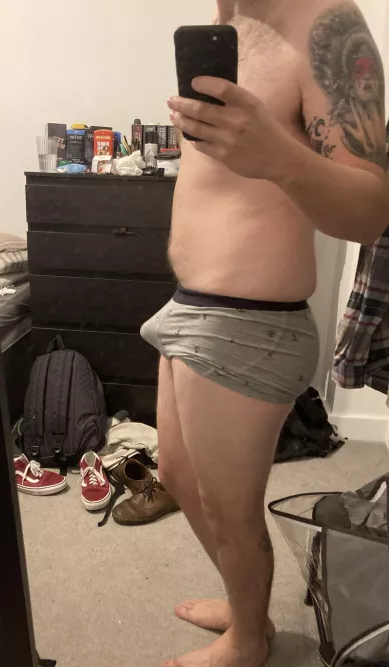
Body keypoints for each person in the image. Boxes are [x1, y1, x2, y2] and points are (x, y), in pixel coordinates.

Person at [140, 1, 388, 666]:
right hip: (189, 304)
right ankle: (243, 601)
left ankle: (249, 640)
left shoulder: (328, 25)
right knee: (178, 475)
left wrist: (278, 156)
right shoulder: (227, 17)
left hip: (251, 322)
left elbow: (371, 210)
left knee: (230, 508)